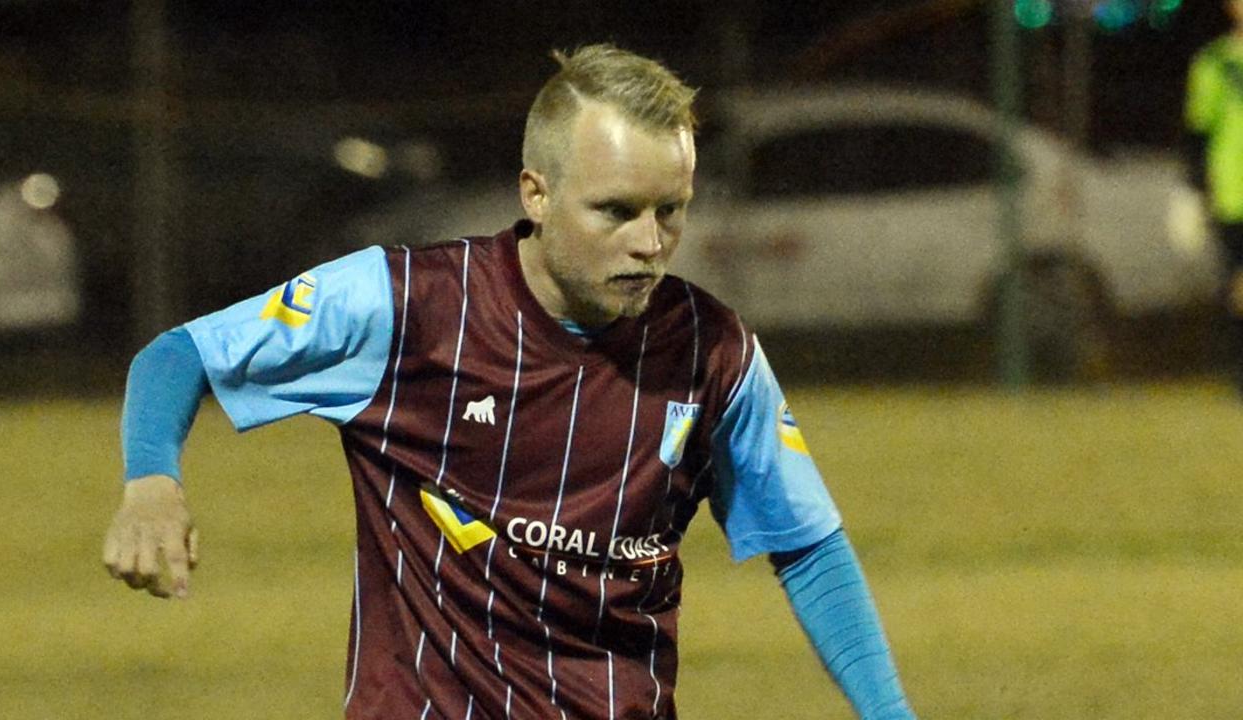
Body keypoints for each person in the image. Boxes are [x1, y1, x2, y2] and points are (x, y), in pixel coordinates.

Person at [102, 44, 916, 720]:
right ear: (536, 191)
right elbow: (180, 356)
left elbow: (807, 548)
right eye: (616, 210)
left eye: (671, 210)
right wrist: (151, 485)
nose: (650, 242)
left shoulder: (713, 353)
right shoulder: (408, 307)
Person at [1185, 0, 1243, 393]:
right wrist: (1190, 191)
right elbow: (1197, 134)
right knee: (1239, 286)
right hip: (1234, 193)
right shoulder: (1214, 62)